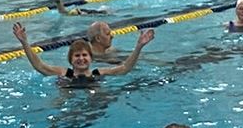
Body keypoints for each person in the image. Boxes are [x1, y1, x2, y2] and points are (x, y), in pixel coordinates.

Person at [12, 21, 153, 85]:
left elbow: (125, 68)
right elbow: (39, 65)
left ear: (91, 58)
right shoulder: (63, 73)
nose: (81, 59)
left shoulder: (99, 73)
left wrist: (139, 46)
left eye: (84, 55)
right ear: (70, 59)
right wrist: (24, 42)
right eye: (77, 56)